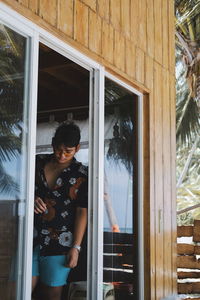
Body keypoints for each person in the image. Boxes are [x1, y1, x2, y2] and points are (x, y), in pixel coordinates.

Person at [32, 122, 88, 300]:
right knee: (17, 289)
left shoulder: (81, 174)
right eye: (58, 150)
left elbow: (82, 212)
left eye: (68, 151)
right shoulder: (36, 163)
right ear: (52, 144)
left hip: (60, 243)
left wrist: (76, 247)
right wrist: (30, 199)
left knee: (52, 294)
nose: (62, 155)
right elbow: (18, 189)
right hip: (28, 237)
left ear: (77, 148)